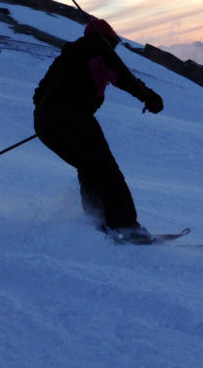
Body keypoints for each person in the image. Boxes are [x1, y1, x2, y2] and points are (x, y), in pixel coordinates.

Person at [33, 17, 164, 242]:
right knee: (106, 170)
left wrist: (53, 116)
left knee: (88, 167)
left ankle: (97, 221)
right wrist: (149, 98)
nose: (113, 48)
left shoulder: (68, 54)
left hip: (44, 122)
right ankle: (125, 226)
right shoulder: (100, 51)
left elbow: (39, 94)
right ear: (108, 39)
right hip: (73, 118)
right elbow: (123, 78)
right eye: (113, 42)